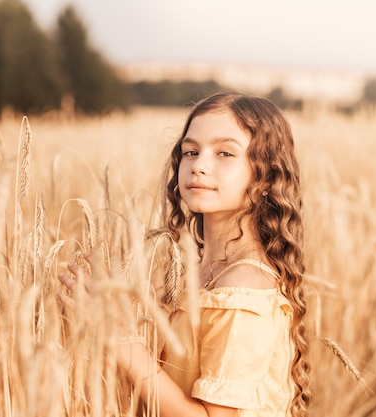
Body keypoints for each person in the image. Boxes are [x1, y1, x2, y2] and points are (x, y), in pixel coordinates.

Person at [58, 91, 311, 417]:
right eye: (190, 151)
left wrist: (122, 340)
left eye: (224, 153)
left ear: (265, 175)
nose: (199, 165)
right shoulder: (201, 269)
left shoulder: (245, 289)